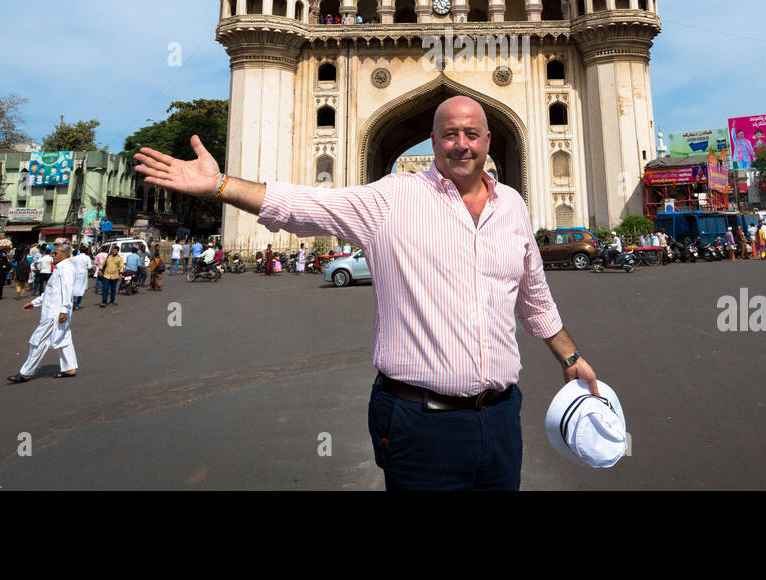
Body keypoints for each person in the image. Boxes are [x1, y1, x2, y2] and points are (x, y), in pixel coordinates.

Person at [134, 96, 599, 492]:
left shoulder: (512, 206)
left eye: (472, 134)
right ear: (432, 141)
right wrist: (219, 185)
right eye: (451, 134)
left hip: (499, 418)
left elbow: (533, 293)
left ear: (489, 141)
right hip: (420, 422)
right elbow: (305, 206)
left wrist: (569, 355)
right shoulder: (393, 199)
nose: (463, 144)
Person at [9, 246, 78, 382]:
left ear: (64, 254)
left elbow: (68, 289)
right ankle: (70, 368)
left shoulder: (66, 268)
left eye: (55, 253)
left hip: (55, 313)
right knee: (64, 339)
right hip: (53, 311)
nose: (52, 255)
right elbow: (50, 292)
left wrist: (64, 310)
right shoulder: (59, 268)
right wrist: (34, 303)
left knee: (38, 341)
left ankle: (25, 372)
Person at [71, 245, 93, 309]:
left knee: (74, 287)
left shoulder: (75, 258)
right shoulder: (87, 257)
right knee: (81, 289)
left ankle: (74, 299)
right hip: (83, 274)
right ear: (86, 251)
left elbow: (72, 265)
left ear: (79, 251)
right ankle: (78, 305)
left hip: (75, 274)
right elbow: (89, 266)